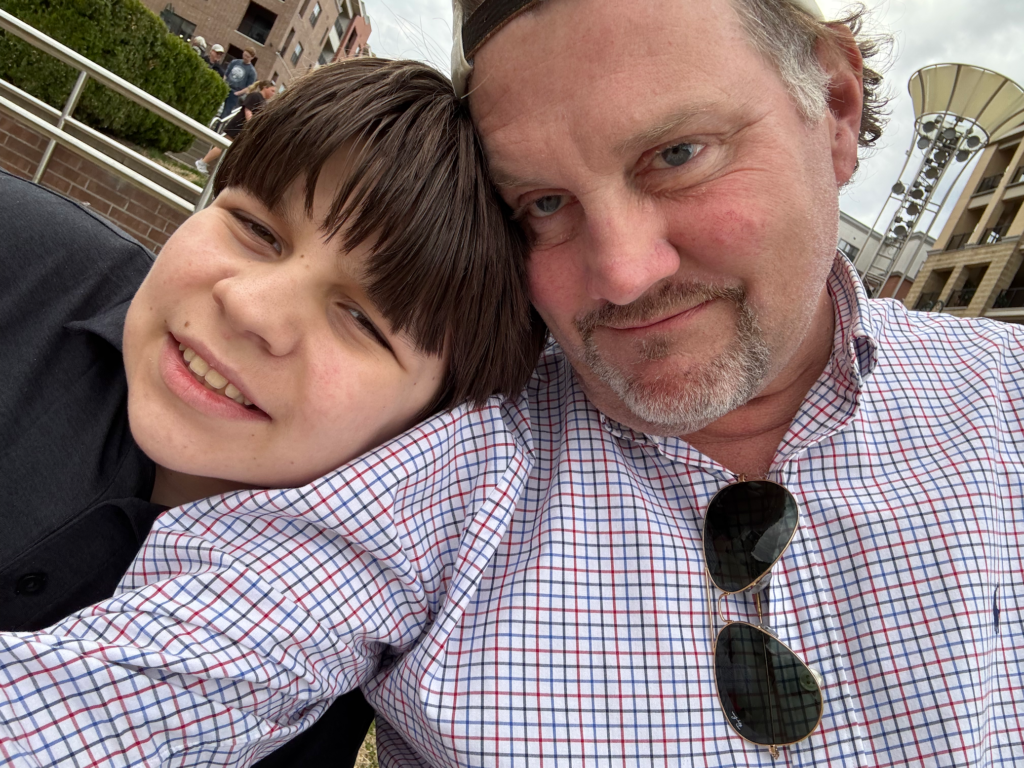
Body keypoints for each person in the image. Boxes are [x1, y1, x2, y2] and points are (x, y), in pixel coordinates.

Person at [1, 0, 1023, 765]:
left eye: (678, 154)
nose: (621, 273)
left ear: (835, 108)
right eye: (541, 203)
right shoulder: (450, 462)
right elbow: (135, 689)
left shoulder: (1002, 404)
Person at [0, 58, 541, 766]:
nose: (250, 307)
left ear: (433, 422)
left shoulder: (311, 687)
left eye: (362, 320)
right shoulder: (17, 258)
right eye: (256, 228)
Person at [197, 80, 276, 174]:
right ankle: (202, 162)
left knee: (232, 150)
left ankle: (214, 168)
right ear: (265, 88)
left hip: (244, 129)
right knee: (222, 145)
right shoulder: (255, 96)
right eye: (272, 90)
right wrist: (251, 125)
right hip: (238, 125)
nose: (273, 93)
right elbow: (248, 111)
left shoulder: (263, 101)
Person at [221, 47, 258, 118]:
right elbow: (226, 74)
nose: (245, 57)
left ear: (252, 58)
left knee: (226, 112)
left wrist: (238, 93)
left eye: (247, 56)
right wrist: (223, 83)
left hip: (235, 92)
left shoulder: (252, 72)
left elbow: (249, 87)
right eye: (244, 55)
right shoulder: (235, 62)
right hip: (226, 87)